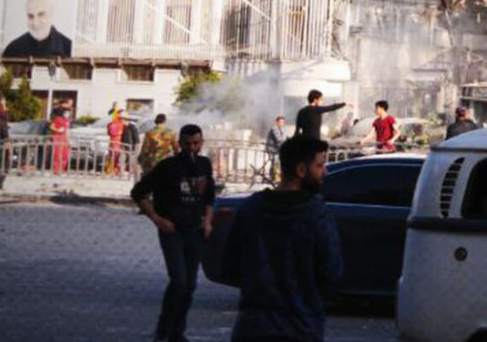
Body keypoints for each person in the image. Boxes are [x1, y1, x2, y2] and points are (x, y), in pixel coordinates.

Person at [222, 134, 343, 342]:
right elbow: (331, 271)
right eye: (320, 166)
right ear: (301, 170)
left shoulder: (251, 209)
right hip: (301, 328)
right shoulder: (315, 213)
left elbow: (228, 266)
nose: (325, 171)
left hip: (253, 328)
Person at [131, 124, 215, 342]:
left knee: (190, 284)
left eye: (196, 143)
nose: (192, 148)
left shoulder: (205, 165)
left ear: (201, 142)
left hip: (194, 231)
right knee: (178, 280)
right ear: (179, 144)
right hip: (173, 230)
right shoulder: (167, 167)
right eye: (187, 144)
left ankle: (177, 331)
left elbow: (209, 198)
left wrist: (207, 221)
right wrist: (157, 219)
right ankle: (164, 330)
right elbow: (138, 193)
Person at [2, 0, 73, 58]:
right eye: (30, 16)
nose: (35, 22)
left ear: (51, 13)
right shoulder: (13, 49)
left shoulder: (68, 49)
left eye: (41, 14)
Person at [264, 116, 289, 183]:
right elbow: (279, 139)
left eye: (283, 122)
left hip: (279, 149)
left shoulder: (284, 129)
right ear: (277, 122)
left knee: (279, 163)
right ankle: (274, 178)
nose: (282, 123)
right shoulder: (274, 129)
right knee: (275, 163)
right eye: (280, 122)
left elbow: (286, 137)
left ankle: (277, 177)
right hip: (273, 149)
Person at [49, 106, 71, 175]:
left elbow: (67, 130)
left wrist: (68, 140)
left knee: (65, 154)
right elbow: (51, 127)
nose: (68, 114)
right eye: (66, 112)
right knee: (57, 154)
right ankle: (56, 170)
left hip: (64, 138)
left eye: (69, 113)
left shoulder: (66, 120)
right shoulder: (57, 118)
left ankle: (61, 169)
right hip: (57, 137)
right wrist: (58, 130)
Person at [106, 108, 128, 176]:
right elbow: (111, 132)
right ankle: (110, 170)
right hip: (115, 142)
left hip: (120, 142)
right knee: (113, 156)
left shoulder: (122, 123)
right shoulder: (113, 122)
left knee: (117, 157)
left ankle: (115, 170)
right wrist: (120, 133)